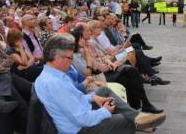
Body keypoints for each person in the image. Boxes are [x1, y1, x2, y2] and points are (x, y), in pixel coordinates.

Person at [34, 34, 166, 134]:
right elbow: (82, 119)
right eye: (70, 58)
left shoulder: (52, 75)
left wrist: (92, 97)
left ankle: (138, 117)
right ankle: (136, 120)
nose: (71, 61)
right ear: (58, 58)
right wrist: (105, 111)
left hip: (77, 114)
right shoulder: (55, 83)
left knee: (104, 92)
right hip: (80, 129)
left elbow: (74, 98)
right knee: (125, 120)